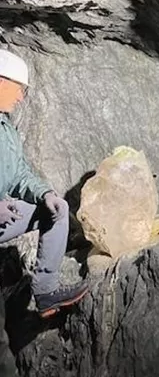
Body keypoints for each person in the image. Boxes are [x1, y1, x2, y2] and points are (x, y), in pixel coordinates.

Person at [0, 49, 88, 373]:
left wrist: (46, 193)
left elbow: (21, 173)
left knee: (57, 210)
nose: (22, 96)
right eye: (18, 87)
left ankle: (46, 291)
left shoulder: (5, 129)